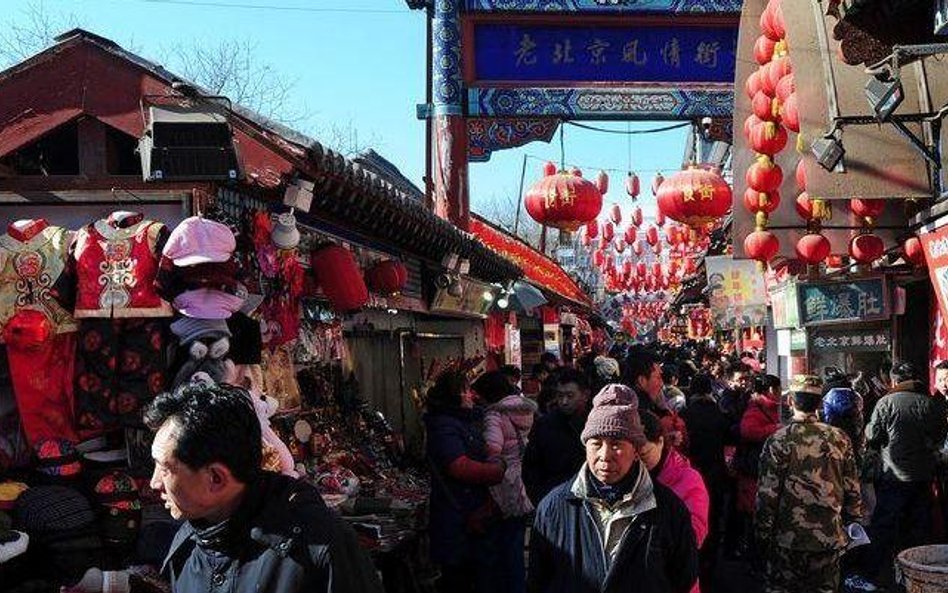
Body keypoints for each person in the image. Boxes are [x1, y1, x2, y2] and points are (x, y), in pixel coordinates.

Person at [146, 382, 383, 593]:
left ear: (216, 478)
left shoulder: (320, 548)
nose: (154, 482)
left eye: (164, 469)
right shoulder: (188, 543)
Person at [528, 384, 699, 593]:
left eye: (616, 443)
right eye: (596, 443)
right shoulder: (554, 507)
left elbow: (682, 577)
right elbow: (539, 578)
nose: (605, 455)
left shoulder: (668, 509)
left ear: (636, 450)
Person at [755, 375, 863, 593]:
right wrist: (852, 521)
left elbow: (767, 495)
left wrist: (762, 534)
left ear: (790, 402)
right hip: (829, 536)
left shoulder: (778, 440)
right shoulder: (839, 438)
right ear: (820, 403)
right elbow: (852, 487)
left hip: (787, 539)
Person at [862, 361, 948, 587]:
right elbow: (939, 437)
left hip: (893, 477)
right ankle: (918, 576)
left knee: (883, 528)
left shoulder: (885, 402)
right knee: (920, 527)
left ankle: (875, 574)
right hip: (923, 477)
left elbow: (872, 435)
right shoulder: (931, 404)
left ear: (894, 380)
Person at [424, 369, 506, 593]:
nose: (471, 395)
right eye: (466, 390)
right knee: (461, 579)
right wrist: (495, 471)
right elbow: (458, 466)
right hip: (457, 518)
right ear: (455, 394)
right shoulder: (444, 425)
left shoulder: (466, 421)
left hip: (471, 515)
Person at [473, 370, 537, 593]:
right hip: (522, 479)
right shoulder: (524, 410)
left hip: (502, 482)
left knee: (501, 543)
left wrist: (484, 460)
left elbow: (493, 448)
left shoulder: (494, 415)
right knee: (515, 543)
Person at [639, 411, 709, 593]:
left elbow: (695, 536)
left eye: (643, 454)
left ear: (660, 442)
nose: (637, 463)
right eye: (632, 455)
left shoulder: (688, 479)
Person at [680, 372, 731, 585]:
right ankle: (710, 565)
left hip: (691, 475)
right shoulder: (719, 413)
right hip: (716, 473)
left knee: (691, 519)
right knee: (714, 517)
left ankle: (694, 563)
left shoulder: (685, 415)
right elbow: (729, 439)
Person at [522, 368, 592, 505]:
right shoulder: (544, 425)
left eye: (570, 396)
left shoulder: (596, 424)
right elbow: (531, 468)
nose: (564, 401)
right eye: (560, 396)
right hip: (554, 501)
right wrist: (542, 501)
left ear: (585, 395)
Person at [734, 373, 782, 560]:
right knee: (754, 517)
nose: (779, 394)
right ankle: (754, 559)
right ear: (771, 390)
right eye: (778, 390)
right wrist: (774, 430)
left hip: (761, 469)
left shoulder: (765, 407)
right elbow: (748, 431)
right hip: (752, 471)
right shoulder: (755, 409)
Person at [625, 351, 688, 451]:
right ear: (642, 381)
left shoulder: (648, 407)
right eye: (658, 377)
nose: (662, 383)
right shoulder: (639, 416)